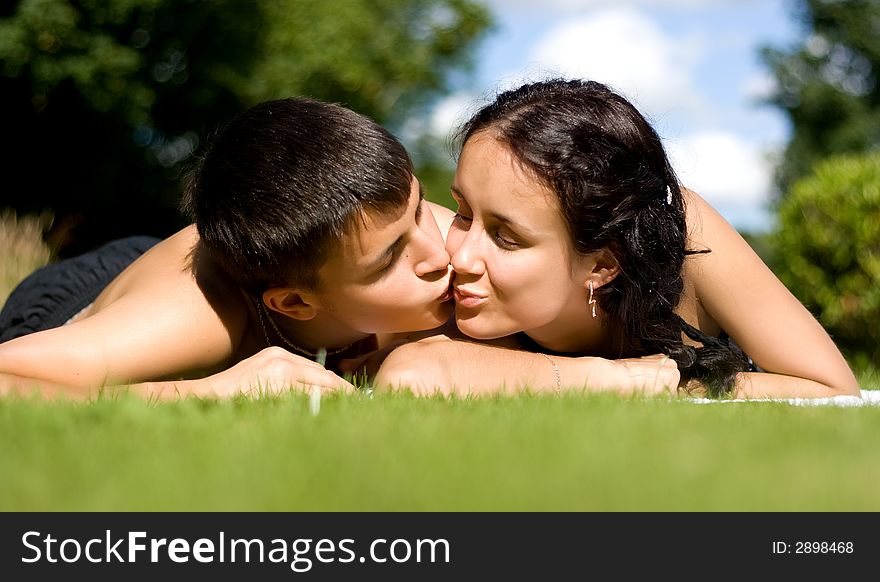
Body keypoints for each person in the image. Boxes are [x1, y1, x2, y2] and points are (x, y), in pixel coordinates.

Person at [374, 79, 860, 399]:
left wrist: (682, 383)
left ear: (603, 264)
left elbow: (828, 388)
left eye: (506, 237)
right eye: (461, 210)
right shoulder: (418, 254)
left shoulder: (685, 235)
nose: (458, 253)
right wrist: (623, 381)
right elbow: (412, 374)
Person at [0, 97, 455, 400]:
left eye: (418, 209)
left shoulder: (392, 220)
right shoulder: (193, 317)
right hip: (78, 307)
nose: (440, 256)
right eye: (392, 258)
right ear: (295, 302)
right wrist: (209, 391)